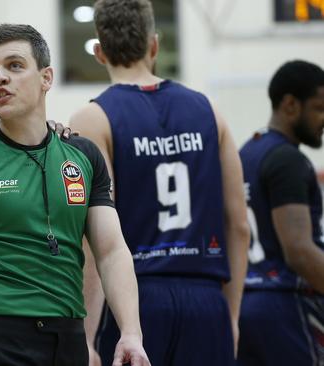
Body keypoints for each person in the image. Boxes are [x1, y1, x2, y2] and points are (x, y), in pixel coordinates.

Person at [0, 23, 149, 366]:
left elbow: (112, 251)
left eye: (14, 66)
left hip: (69, 340)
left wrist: (131, 332)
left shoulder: (83, 155)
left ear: (46, 78)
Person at [69, 1, 250, 365]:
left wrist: (85, 336)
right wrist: (230, 316)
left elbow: (95, 239)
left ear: (99, 53)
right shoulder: (210, 110)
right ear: (154, 45)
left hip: (135, 301)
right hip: (206, 298)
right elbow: (240, 225)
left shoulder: (93, 118)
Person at [237, 60, 324, 366]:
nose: (323, 119)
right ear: (290, 104)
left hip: (243, 303)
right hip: (282, 305)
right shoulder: (287, 159)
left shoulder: (245, 153)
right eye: (318, 108)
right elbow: (299, 251)